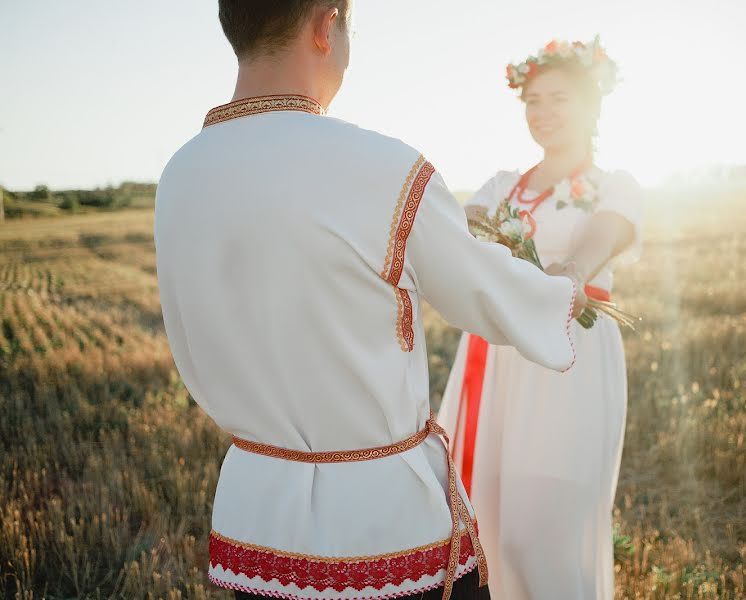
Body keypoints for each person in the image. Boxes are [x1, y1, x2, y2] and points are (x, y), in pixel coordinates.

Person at [153, 3, 588, 599]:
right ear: (325, 24)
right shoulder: (385, 167)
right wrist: (563, 294)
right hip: (384, 530)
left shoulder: (180, 173)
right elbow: (480, 290)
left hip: (255, 526)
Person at [437, 37, 642, 599]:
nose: (543, 112)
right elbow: (457, 232)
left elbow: (607, 232)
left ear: (591, 105)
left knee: (542, 531)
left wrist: (569, 273)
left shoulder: (614, 185)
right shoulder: (503, 185)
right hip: (498, 356)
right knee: (488, 526)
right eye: (533, 101)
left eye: (559, 99)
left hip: (568, 358)